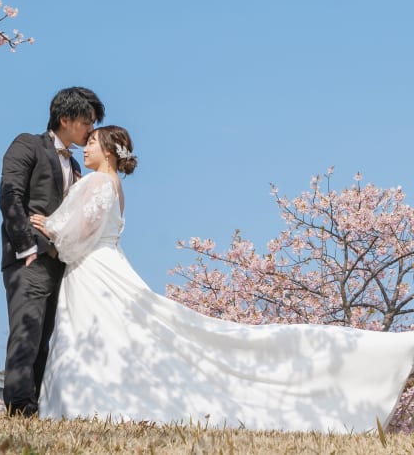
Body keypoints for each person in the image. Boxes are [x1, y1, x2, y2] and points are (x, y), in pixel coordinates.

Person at [36, 126, 414, 432]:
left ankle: (85, 400)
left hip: (93, 269)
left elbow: (81, 229)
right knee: (119, 333)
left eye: (92, 143)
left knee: (94, 332)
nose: (85, 149)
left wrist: (50, 230)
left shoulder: (98, 182)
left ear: (110, 150)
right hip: (111, 262)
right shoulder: (117, 188)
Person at [0, 86, 105, 416]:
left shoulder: (75, 166)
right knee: (26, 331)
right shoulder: (27, 144)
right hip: (29, 258)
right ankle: (19, 405)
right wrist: (26, 246)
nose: (91, 130)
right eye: (88, 122)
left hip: (62, 263)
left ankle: (36, 407)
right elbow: (10, 195)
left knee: (45, 336)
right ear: (66, 118)